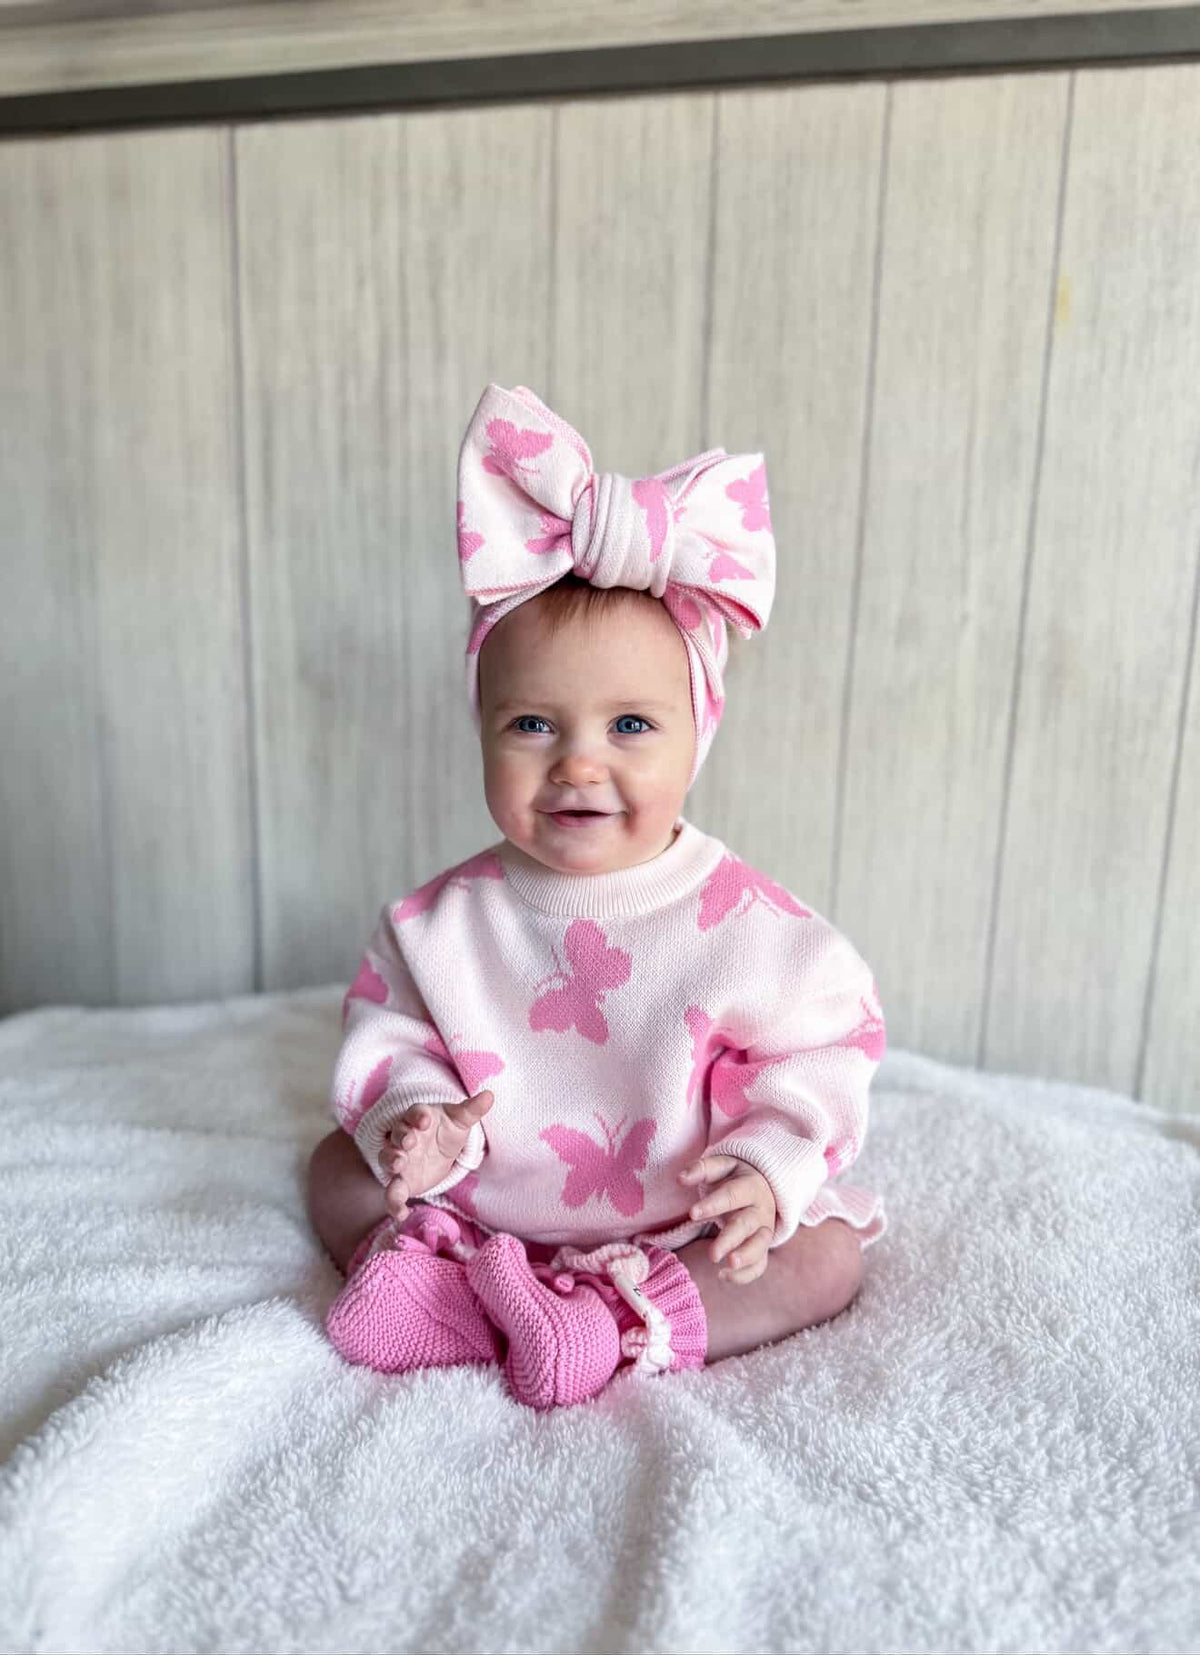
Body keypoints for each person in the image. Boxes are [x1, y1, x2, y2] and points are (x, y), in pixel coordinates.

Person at [306, 382, 887, 1410]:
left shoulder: (751, 929)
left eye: (630, 727)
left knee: (826, 1252)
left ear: (697, 732)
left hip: (680, 1220)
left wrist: (765, 1166)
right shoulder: (439, 925)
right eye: (533, 724)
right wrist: (416, 1119)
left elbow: (824, 1049)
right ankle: (443, 1287)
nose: (578, 764)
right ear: (481, 728)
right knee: (333, 1170)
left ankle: (607, 1321)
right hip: (477, 1206)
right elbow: (391, 1036)